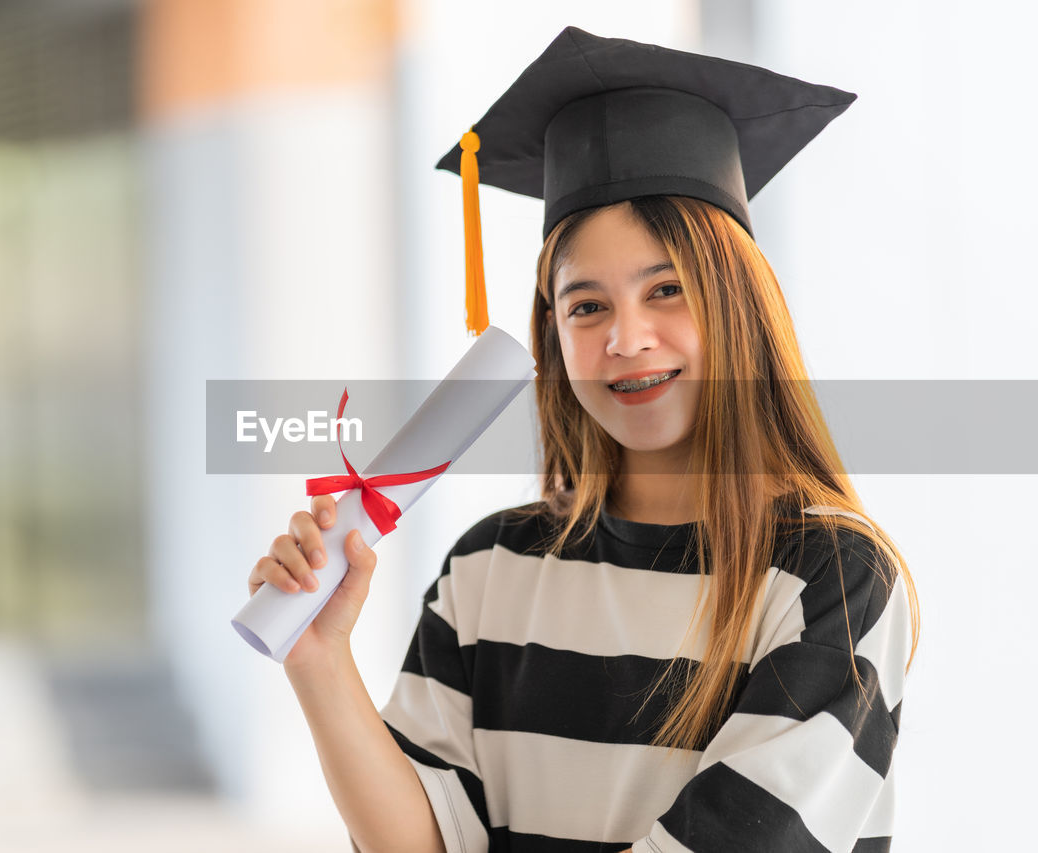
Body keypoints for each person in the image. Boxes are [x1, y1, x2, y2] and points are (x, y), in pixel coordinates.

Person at [246, 28, 919, 853]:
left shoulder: (832, 580)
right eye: (586, 306)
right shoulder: (489, 569)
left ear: (739, 304)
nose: (626, 338)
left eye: (667, 289)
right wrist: (320, 661)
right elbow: (421, 841)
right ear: (553, 335)